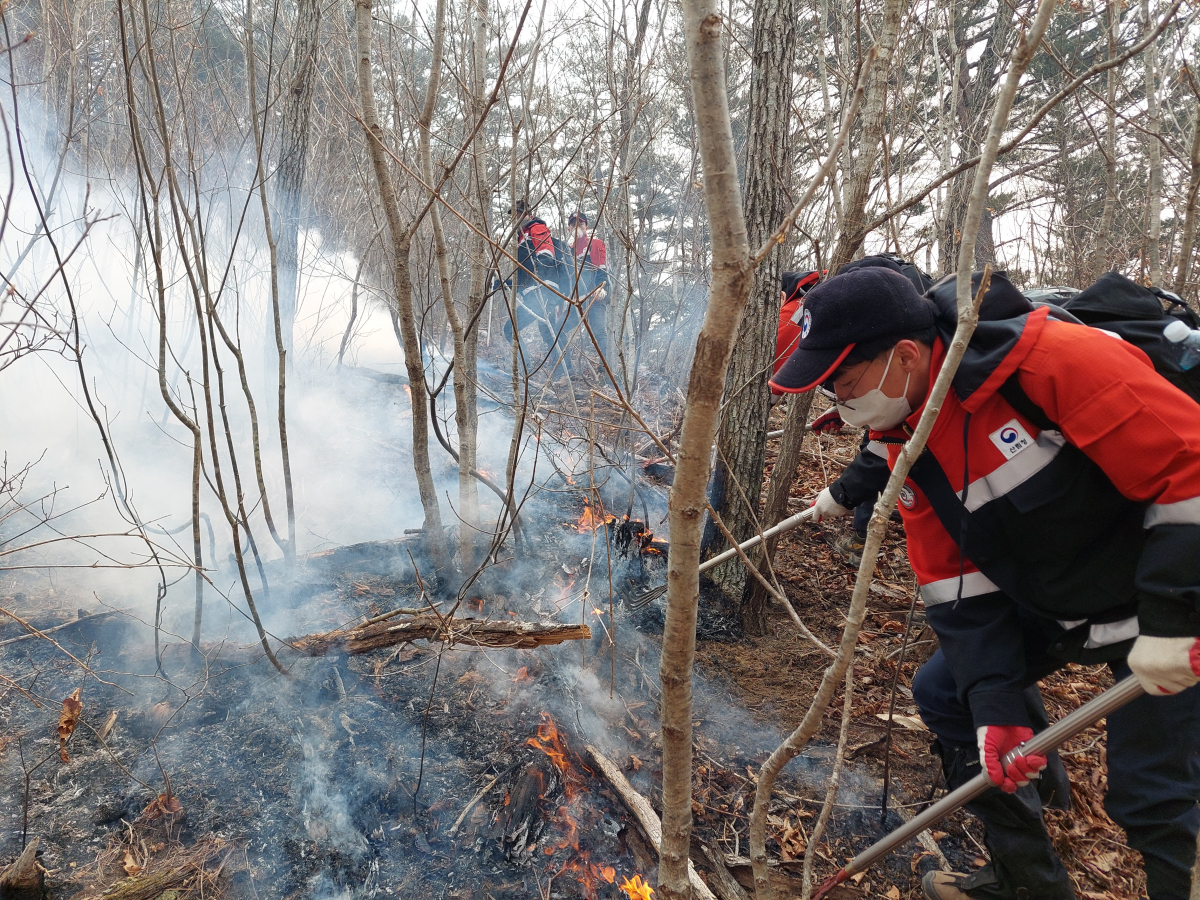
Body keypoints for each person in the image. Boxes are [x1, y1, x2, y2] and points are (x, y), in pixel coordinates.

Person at [769, 266, 1200, 900]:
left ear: (906, 355)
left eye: (844, 381)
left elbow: (1189, 468)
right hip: (1063, 592)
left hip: (1173, 588)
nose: (838, 401)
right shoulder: (905, 434)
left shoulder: (1051, 360)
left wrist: (1174, 615)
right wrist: (996, 705)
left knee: (1154, 794)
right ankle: (1029, 883)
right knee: (950, 694)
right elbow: (953, 581)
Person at [567, 211, 609, 360]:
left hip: (594, 296)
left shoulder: (595, 243)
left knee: (599, 332)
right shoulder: (568, 251)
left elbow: (601, 270)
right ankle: (566, 368)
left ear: (586, 226)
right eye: (573, 224)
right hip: (577, 299)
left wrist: (601, 288)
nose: (577, 227)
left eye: (580, 223)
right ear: (569, 229)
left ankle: (606, 367)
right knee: (560, 328)